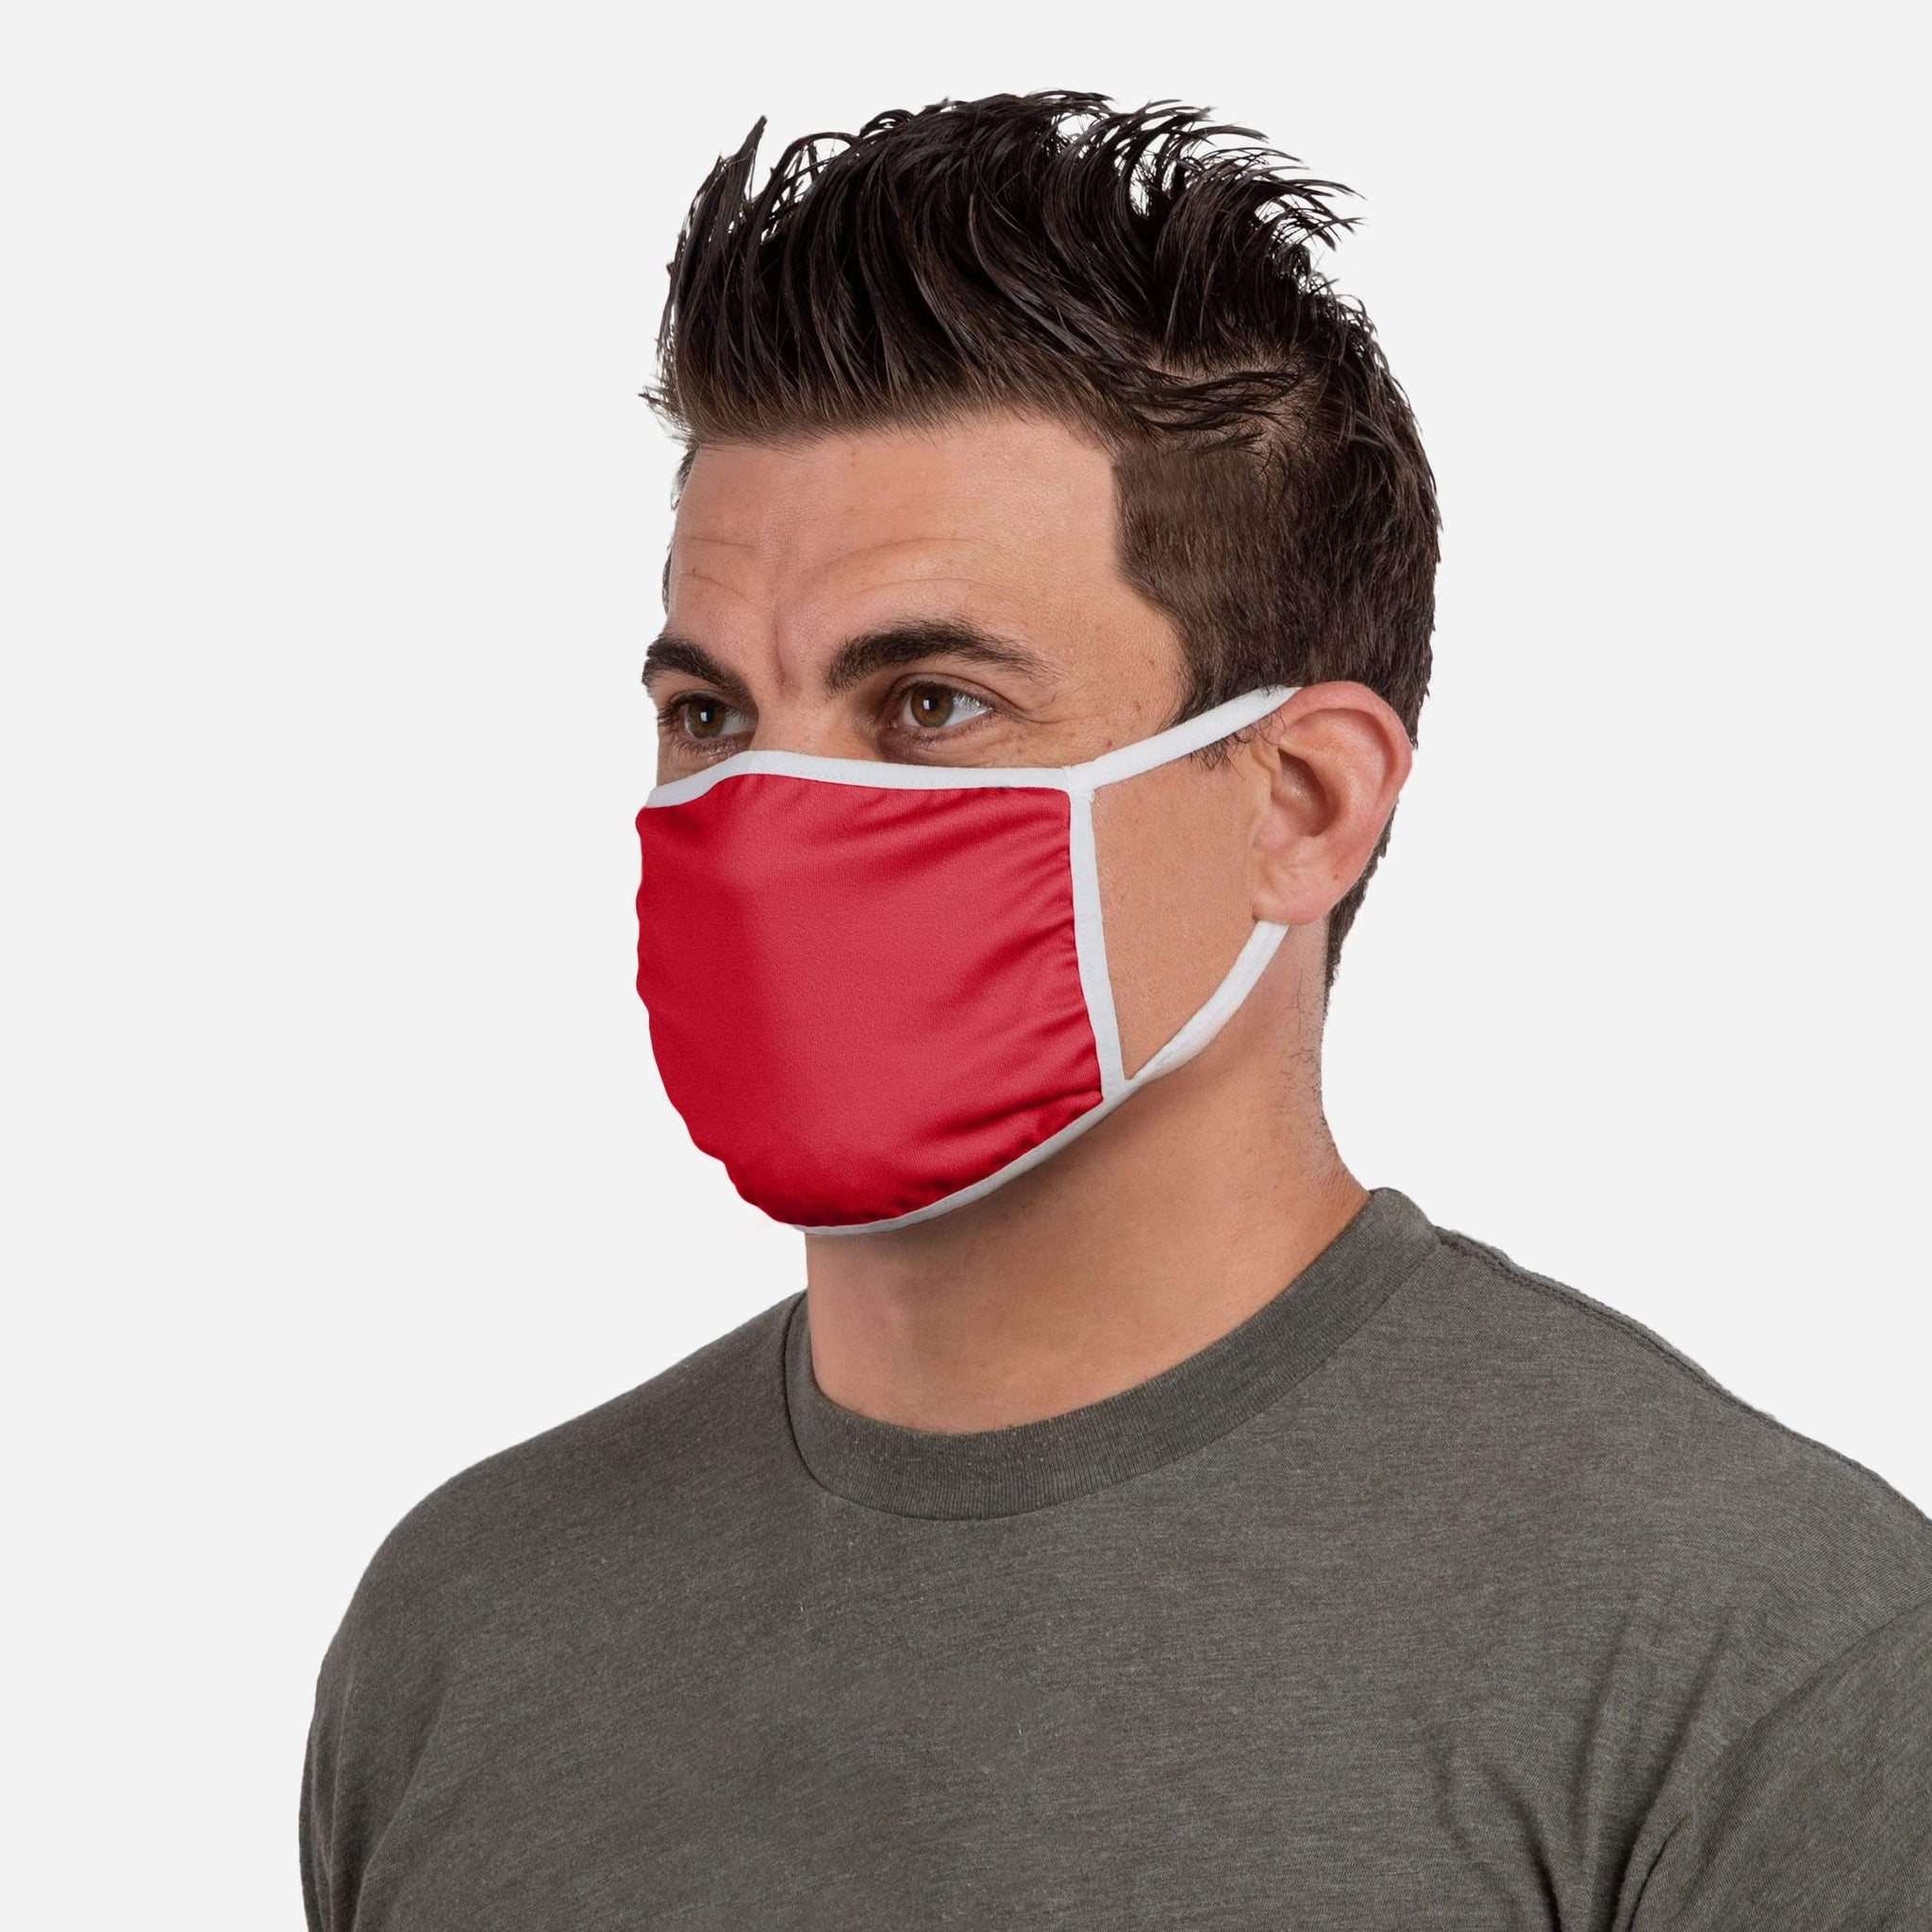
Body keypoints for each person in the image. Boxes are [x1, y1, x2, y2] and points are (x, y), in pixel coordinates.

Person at [299, 92, 1932, 1930]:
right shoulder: (470, 1622)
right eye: (710, 716)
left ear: (1299, 802)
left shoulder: (1760, 1653)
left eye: (928, 705)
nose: (763, 819)